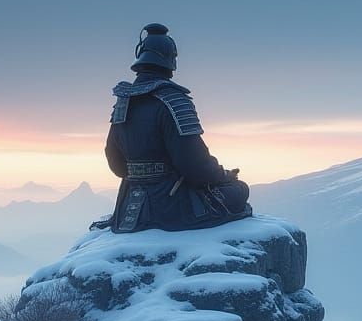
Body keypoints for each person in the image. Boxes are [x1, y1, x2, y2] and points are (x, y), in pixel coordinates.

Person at [101, 23, 252, 233]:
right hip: (172, 208)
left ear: (141, 56)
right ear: (171, 59)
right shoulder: (174, 101)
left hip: (129, 208)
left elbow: (116, 165)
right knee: (240, 190)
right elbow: (196, 168)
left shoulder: (123, 104)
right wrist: (224, 176)